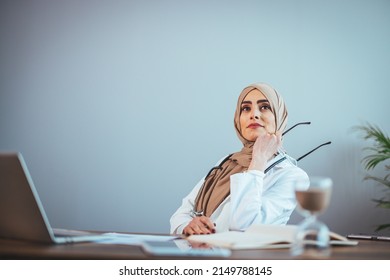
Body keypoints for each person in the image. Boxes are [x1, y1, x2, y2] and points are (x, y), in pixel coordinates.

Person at [170, 82, 309, 235]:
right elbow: (180, 214)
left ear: (279, 117)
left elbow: (245, 226)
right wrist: (188, 226)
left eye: (264, 107)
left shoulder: (293, 176)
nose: (253, 114)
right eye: (246, 108)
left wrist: (258, 161)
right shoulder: (227, 162)